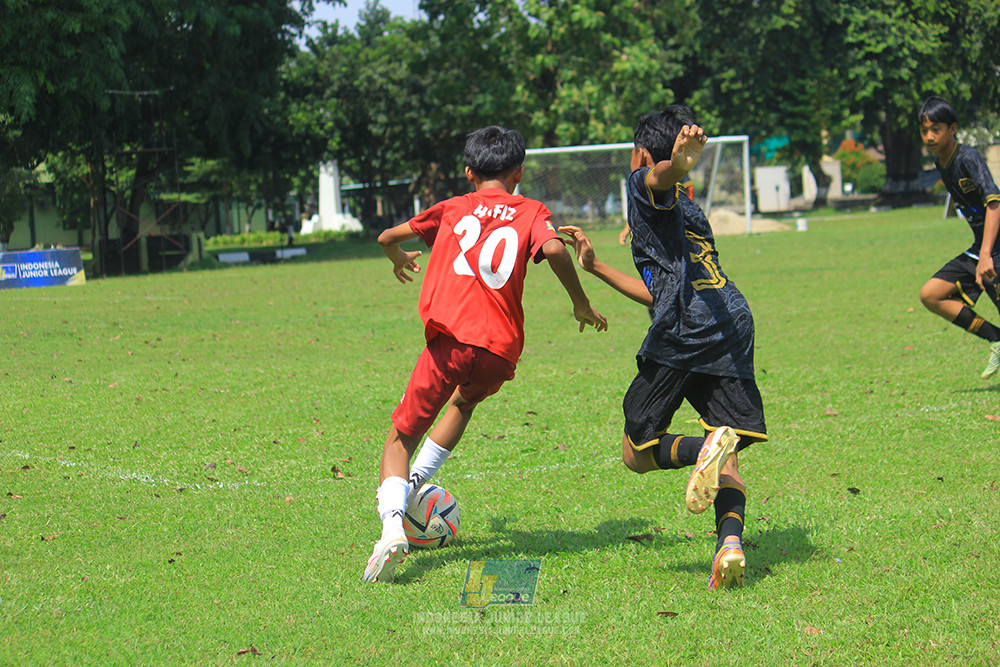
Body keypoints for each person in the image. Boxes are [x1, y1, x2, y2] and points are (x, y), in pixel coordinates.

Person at [363, 125, 608, 583]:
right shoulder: (532, 209)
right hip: (499, 349)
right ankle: (414, 487)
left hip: (451, 340)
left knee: (399, 439)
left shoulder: (452, 207)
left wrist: (399, 258)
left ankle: (392, 528)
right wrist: (579, 302)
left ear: (468, 173)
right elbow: (554, 248)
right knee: (464, 402)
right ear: (519, 173)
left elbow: (385, 237)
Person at [559, 104, 767, 590]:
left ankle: (702, 448)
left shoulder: (642, 181)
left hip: (686, 327)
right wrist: (595, 267)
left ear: (639, 152)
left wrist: (676, 165)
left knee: (637, 452)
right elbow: (661, 290)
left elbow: (657, 178)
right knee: (727, 446)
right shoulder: (690, 211)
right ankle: (730, 545)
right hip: (731, 318)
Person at [917, 95, 1000, 379]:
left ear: (952, 129)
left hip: (993, 249)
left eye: (936, 129)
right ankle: (996, 339)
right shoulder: (941, 162)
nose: (929, 136)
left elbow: (994, 203)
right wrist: (983, 252)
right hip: (983, 248)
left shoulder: (968, 158)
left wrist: (986, 255)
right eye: (924, 130)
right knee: (931, 294)